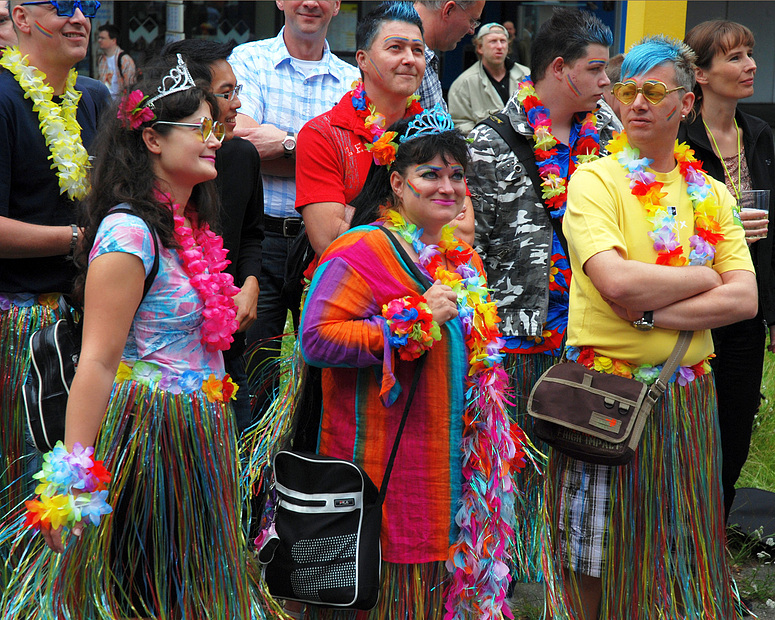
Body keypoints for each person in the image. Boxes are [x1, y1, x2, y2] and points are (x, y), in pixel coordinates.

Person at [2, 55, 268, 618]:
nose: (216, 140)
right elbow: (97, 362)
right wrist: (72, 481)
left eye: (216, 127)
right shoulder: (129, 233)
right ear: (152, 138)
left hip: (201, 431)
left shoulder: (188, 226)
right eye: (201, 129)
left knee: (190, 592)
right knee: (149, 590)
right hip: (149, 440)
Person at [545, 35, 757, 619]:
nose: (637, 102)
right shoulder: (594, 181)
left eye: (654, 90)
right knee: (591, 548)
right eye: (628, 90)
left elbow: (745, 297)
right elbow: (615, 282)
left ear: (686, 104)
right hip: (603, 394)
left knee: (675, 541)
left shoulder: (711, 194)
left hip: (683, 393)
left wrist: (647, 314)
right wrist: (705, 279)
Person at [299, 106, 525, 620]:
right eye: (431, 174)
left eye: (457, 175)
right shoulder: (362, 249)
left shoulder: (456, 256)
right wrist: (408, 326)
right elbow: (316, 339)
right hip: (384, 458)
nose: (448, 187)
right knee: (385, 583)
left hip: (451, 453)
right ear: (397, 185)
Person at [466, 6, 619, 583]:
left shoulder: (607, 137)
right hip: (519, 330)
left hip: (591, 328)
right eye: (597, 69)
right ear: (560, 69)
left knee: (581, 465)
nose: (607, 83)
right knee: (514, 462)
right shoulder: (489, 140)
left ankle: (570, 573)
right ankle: (510, 575)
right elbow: (471, 242)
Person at [0, 0, 109, 589]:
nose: (78, 17)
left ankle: (66, 591)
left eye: (88, 4)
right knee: (20, 479)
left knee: (74, 489)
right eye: (59, 4)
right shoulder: (2, 98)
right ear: (20, 16)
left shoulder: (94, 98)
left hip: (85, 329)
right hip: (17, 332)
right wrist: (82, 238)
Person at [228, 0, 359, 407]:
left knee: (325, 376)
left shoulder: (354, 81)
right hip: (260, 241)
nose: (310, 3)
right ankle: (251, 469)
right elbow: (239, 142)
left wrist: (281, 144)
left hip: (327, 245)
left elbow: (357, 158)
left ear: (337, 6)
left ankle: (307, 466)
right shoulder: (248, 60)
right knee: (251, 372)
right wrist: (320, 154)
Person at [680, 20, 775, 522]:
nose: (750, 65)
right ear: (700, 73)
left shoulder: (759, 137)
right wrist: (726, 223)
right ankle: (678, 538)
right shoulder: (680, 140)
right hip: (695, 304)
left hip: (747, 304)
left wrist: (772, 313)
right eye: (735, 57)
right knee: (690, 428)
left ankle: (710, 537)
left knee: (736, 429)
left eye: (749, 54)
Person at [162, 39, 265, 434]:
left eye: (237, 91)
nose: (237, 103)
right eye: (226, 94)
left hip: (227, 345)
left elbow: (252, 233)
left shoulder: (241, 157)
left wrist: (250, 283)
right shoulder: (156, 183)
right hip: (167, 369)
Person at [296, 2, 426, 256]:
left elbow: (462, 230)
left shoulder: (435, 131)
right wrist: (423, 218)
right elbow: (330, 240)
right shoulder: (323, 133)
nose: (409, 60)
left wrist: (355, 217)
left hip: (433, 286)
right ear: (363, 60)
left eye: (418, 50)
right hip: (349, 287)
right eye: (396, 48)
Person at [448, 22, 528, 134]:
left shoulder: (526, 75)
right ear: (480, 47)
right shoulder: (463, 84)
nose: (499, 46)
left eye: (503, 41)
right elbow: (460, 124)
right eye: (493, 41)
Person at [412, 0, 485, 110]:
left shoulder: (425, 58)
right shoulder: (409, 62)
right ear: (449, 10)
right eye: (472, 20)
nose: (472, 30)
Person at [96, 23, 136, 97]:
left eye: (102, 38)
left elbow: (130, 85)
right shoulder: (101, 59)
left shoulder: (124, 59)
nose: (99, 40)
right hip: (105, 102)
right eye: (99, 38)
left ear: (114, 40)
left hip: (120, 104)